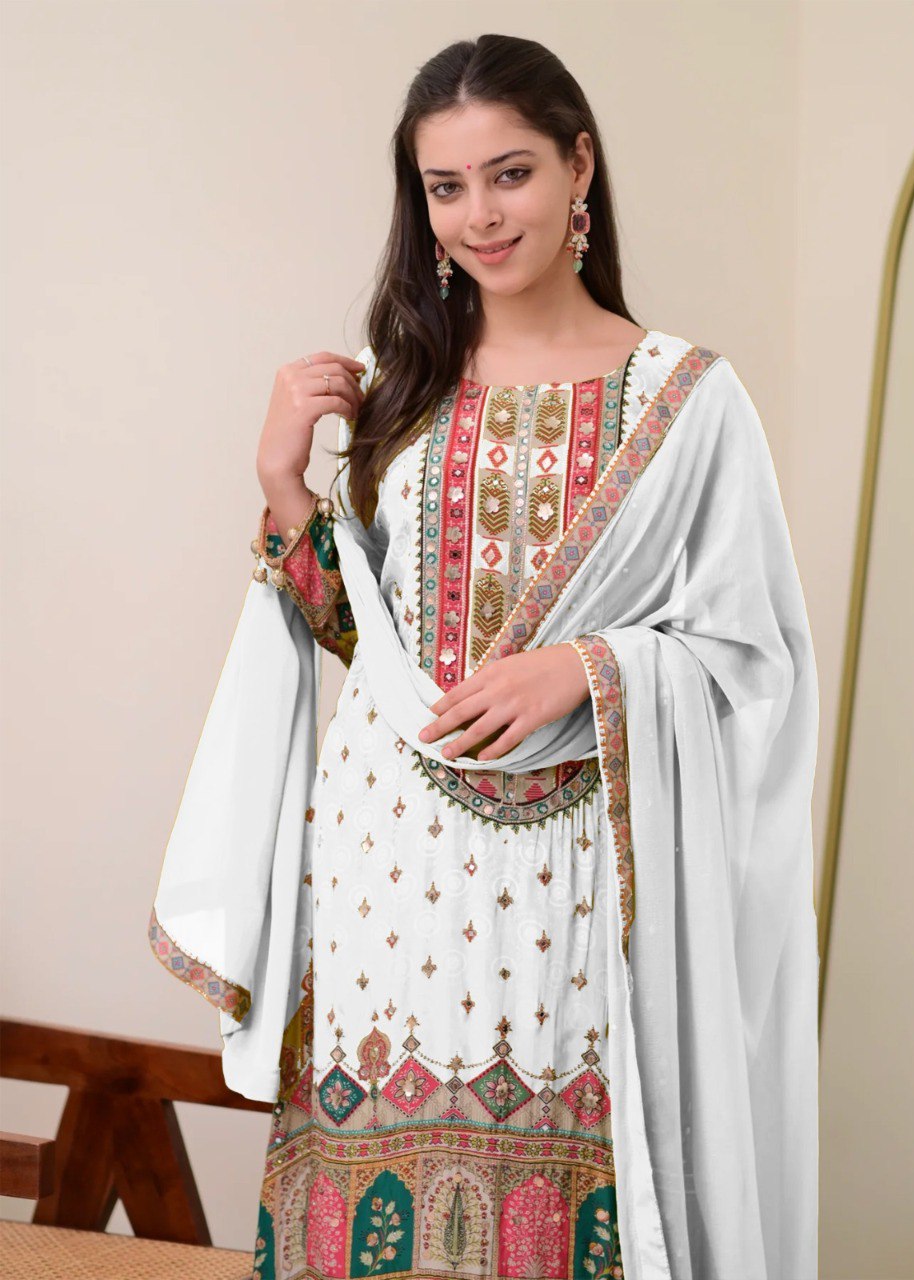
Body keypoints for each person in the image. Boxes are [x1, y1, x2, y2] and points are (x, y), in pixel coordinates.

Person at [148, 32, 820, 1280]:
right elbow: (381, 659)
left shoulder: (687, 399)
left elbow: (757, 663)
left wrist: (589, 669)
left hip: (580, 881)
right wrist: (286, 487)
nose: (477, 216)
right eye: (443, 188)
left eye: (507, 174)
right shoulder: (409, 384)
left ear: (579, 166)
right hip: (384, 881)